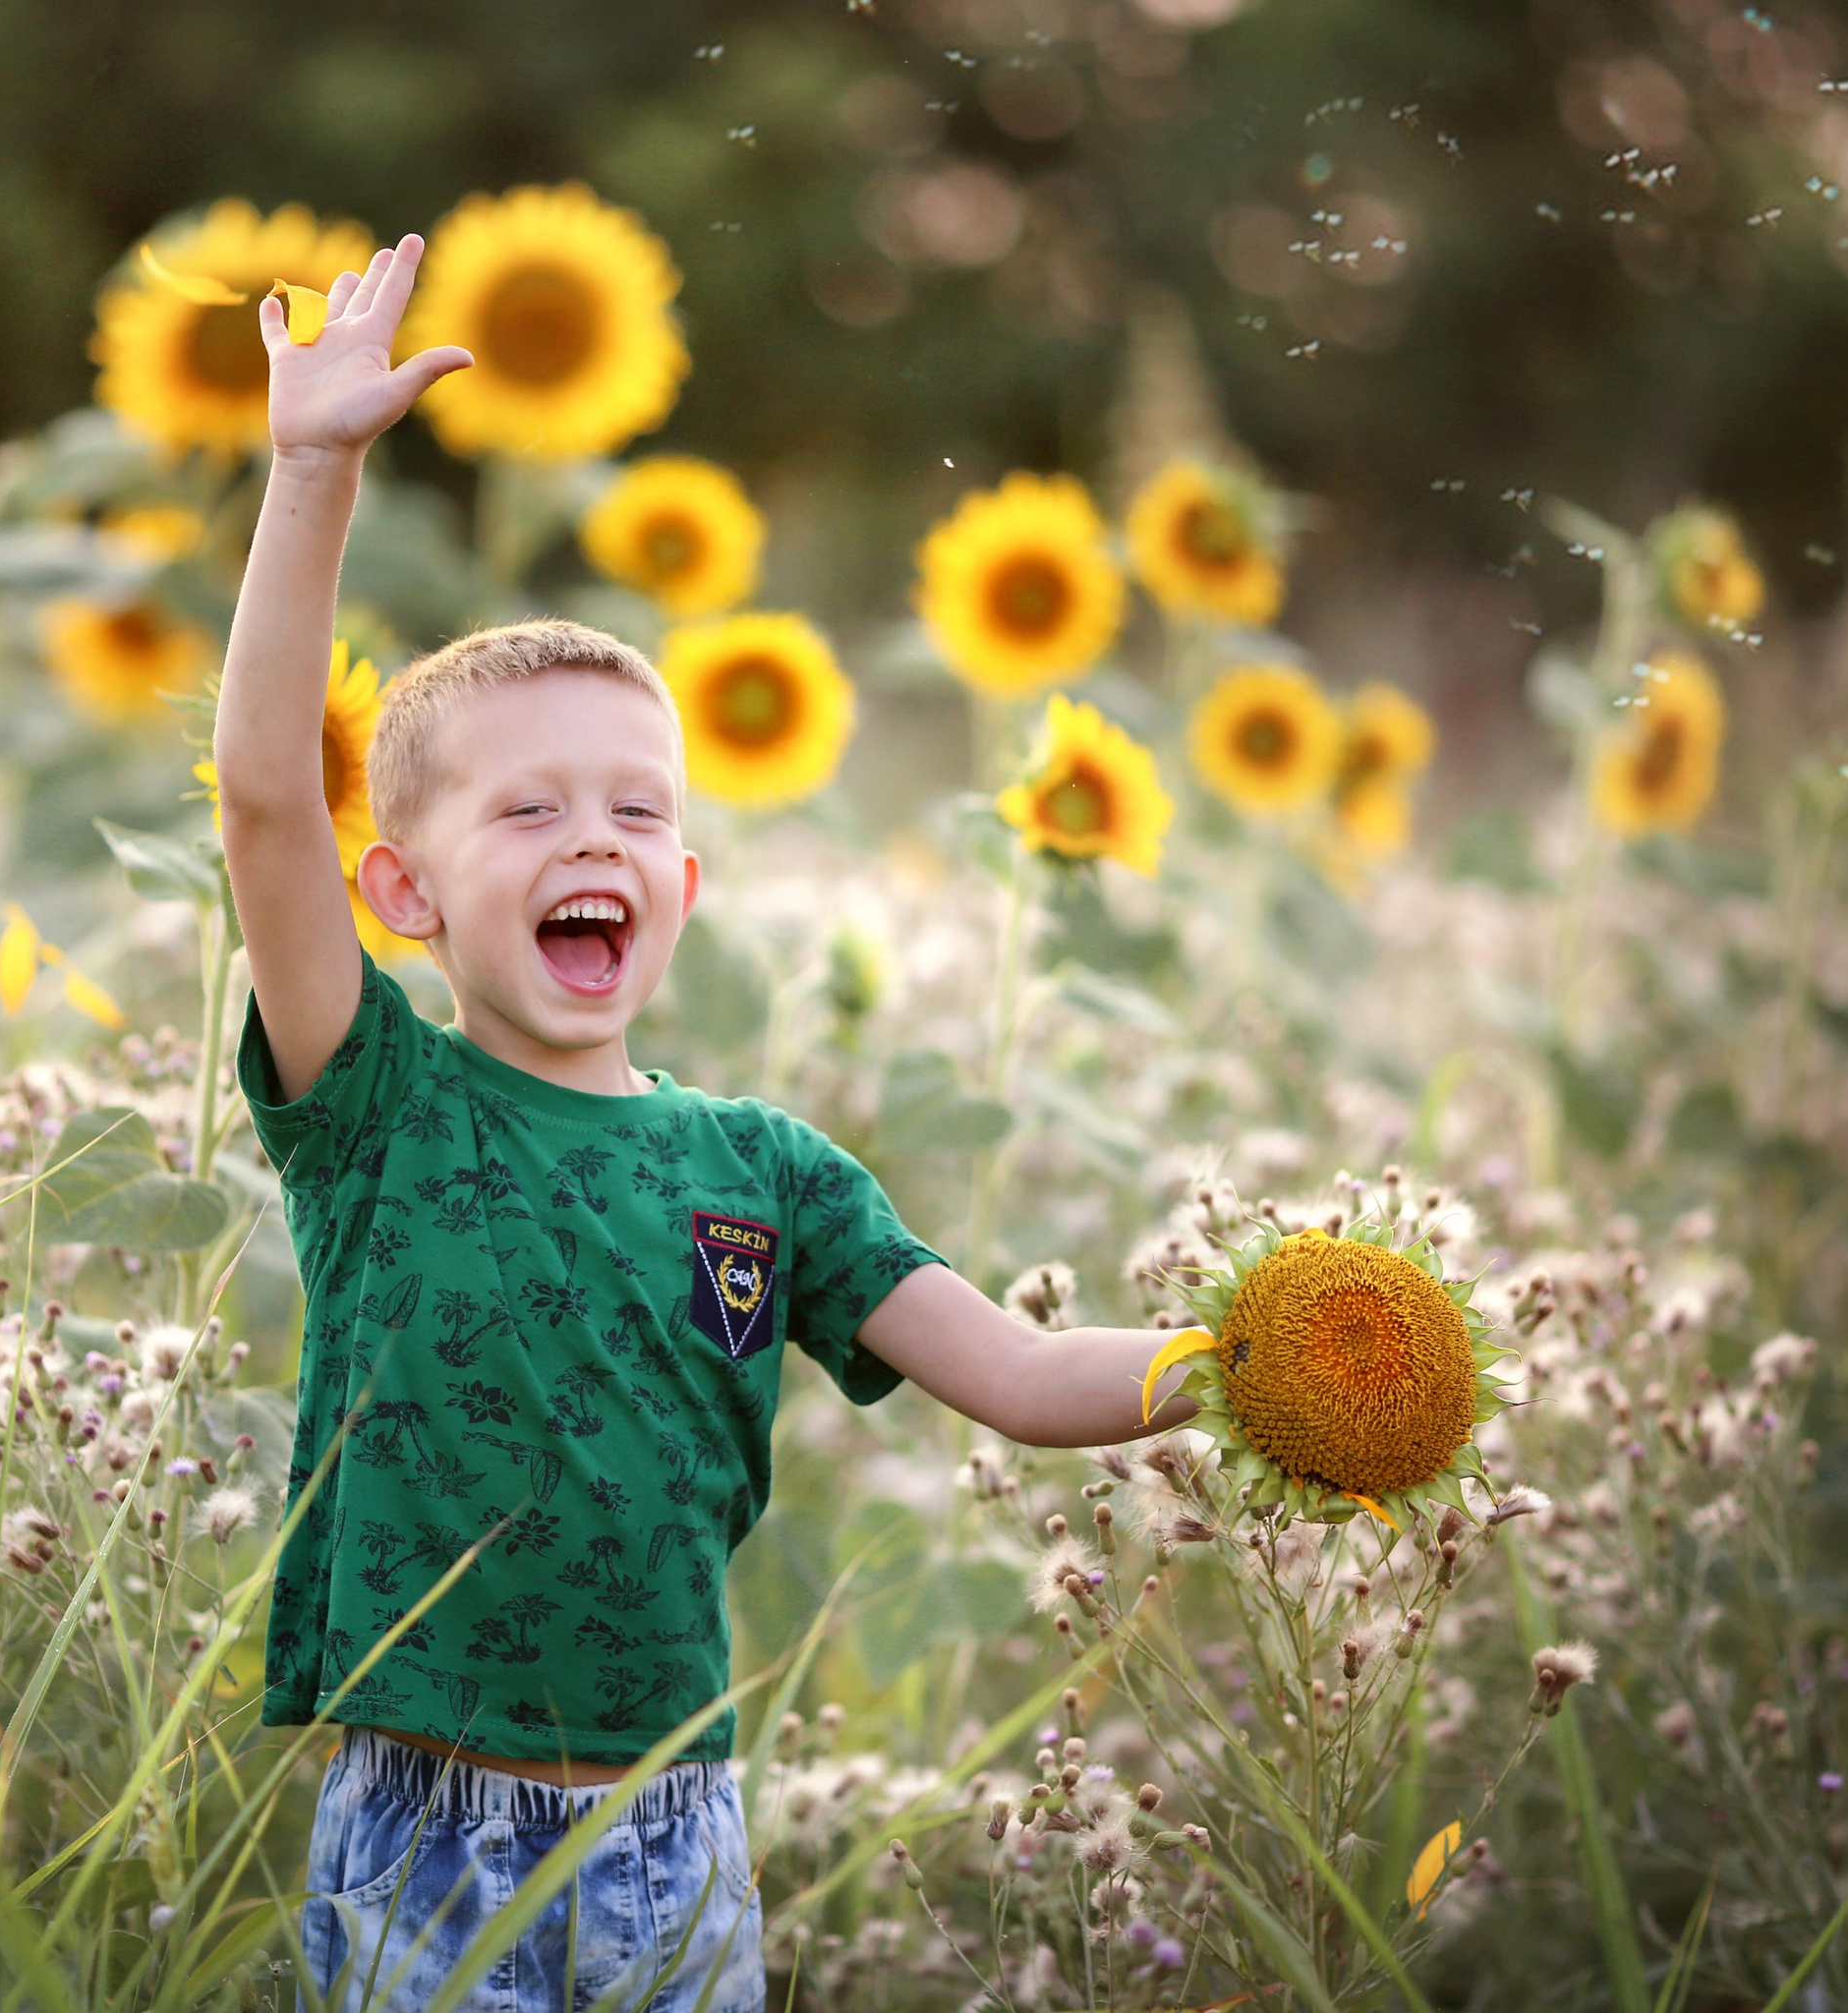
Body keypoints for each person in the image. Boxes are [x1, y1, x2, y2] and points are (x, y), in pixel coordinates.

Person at [215, 233, 1199, 2013]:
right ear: (403, 894)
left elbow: (1026, 1377)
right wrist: (311, 475)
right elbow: (266, 796)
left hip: (684, 1835)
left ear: (684, 881)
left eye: (631, 810)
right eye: (526, 809)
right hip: (424, 1833)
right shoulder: (377, 1107)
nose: (589, 840)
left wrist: (1257, 1353)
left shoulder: (767, 1174)